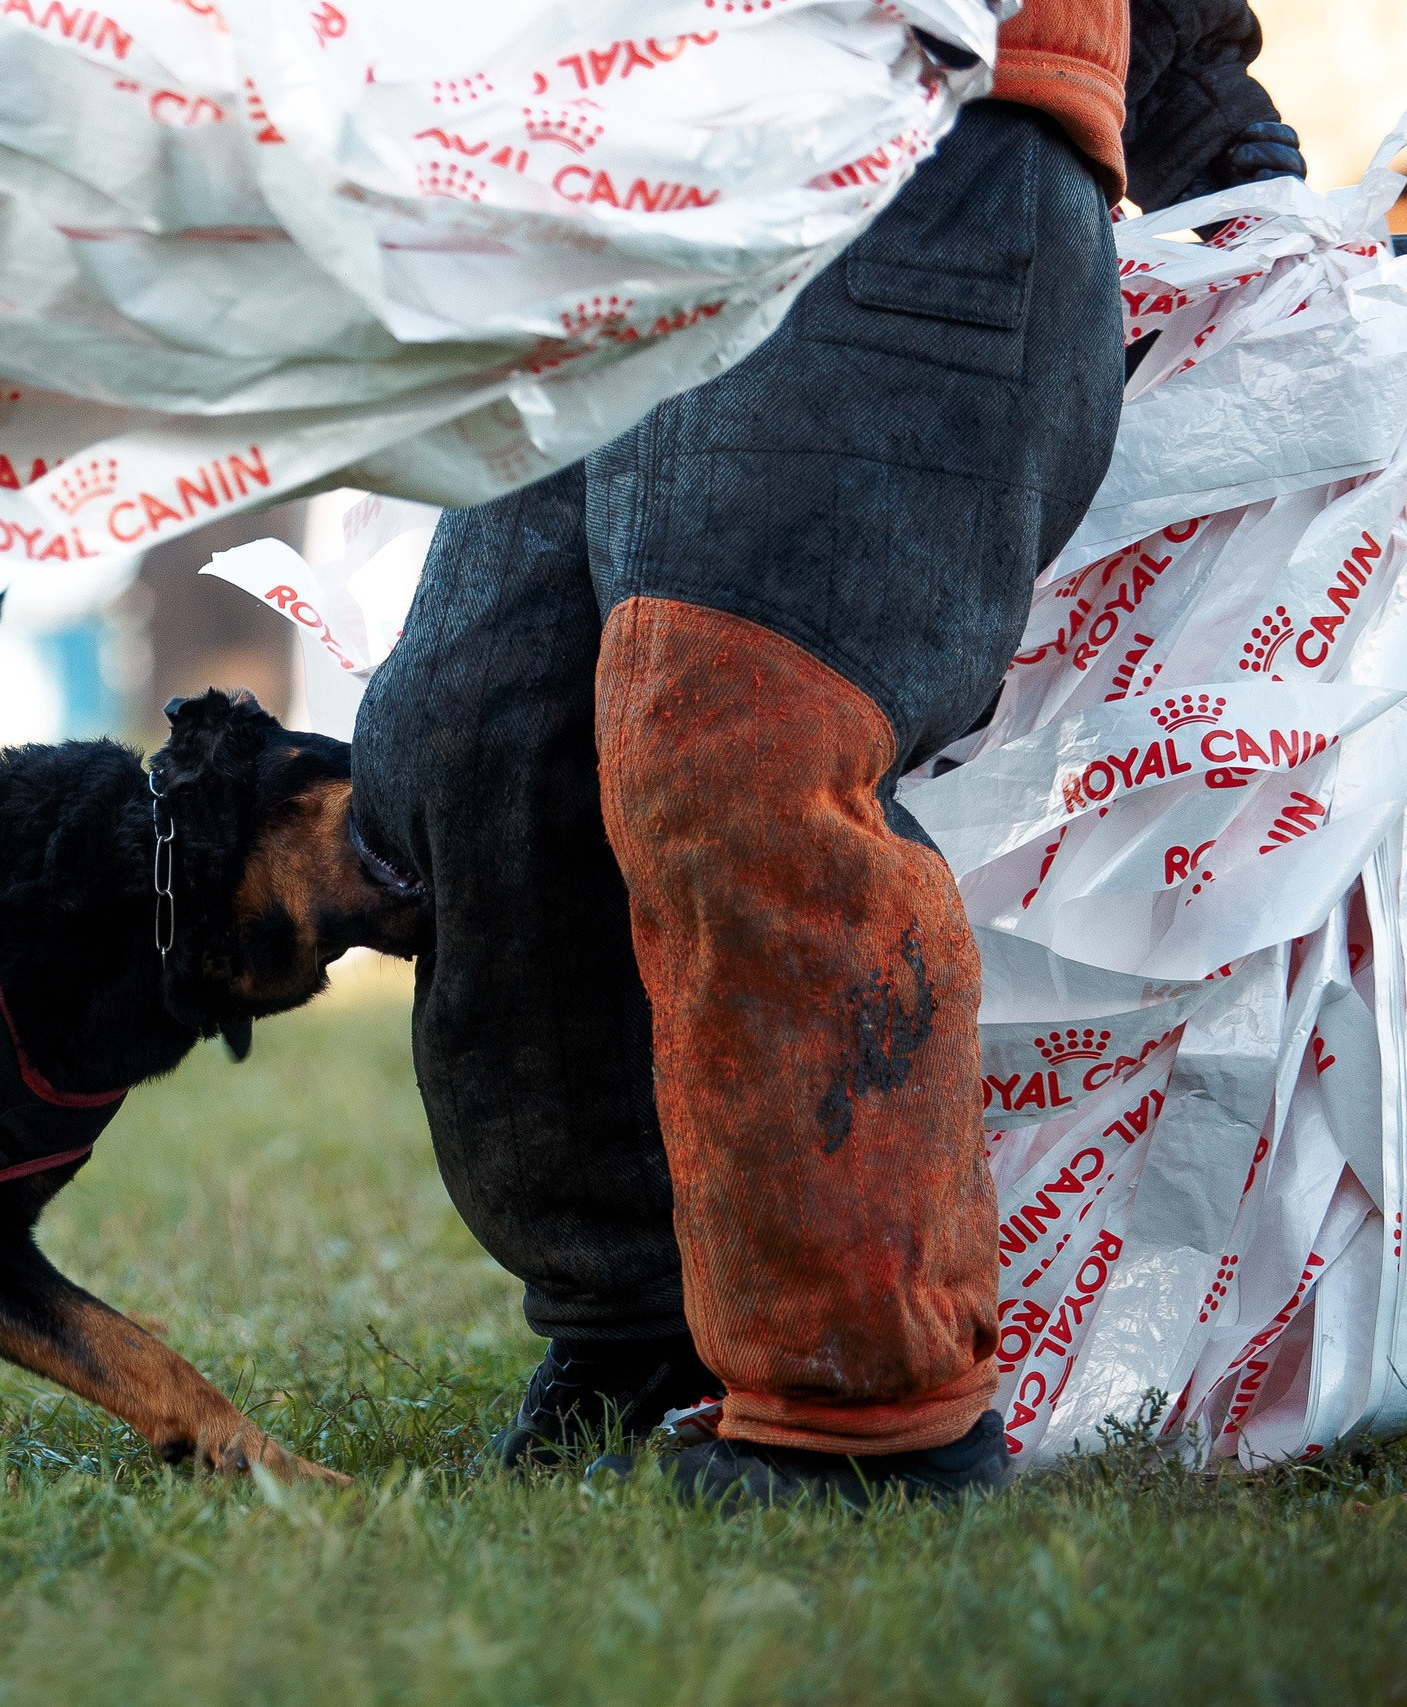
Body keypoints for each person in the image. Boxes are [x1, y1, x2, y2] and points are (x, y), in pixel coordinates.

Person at [350, 0, 1306, 1505]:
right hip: (604, 172)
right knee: (473, 747)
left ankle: (867, 1406)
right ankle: (641, 1325)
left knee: (736, 729)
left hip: (922, 145)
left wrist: (1235, 165)